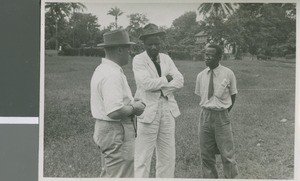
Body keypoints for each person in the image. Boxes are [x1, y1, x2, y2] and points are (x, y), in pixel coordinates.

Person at [90, 29, 146, 178]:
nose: (130, 53)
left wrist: (131, 102)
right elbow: (114, 111)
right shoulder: (112, 74)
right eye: (128, 49)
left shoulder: (102, 69)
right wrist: (135, 108)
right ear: (120, 49)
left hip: (107, 130)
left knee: (110, 174)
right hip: (116, 130)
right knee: (120, 176)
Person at [132, 23, 184, 178]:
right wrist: (167, 79)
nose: (154, 47)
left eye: (157, 43)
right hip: (147, 109)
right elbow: (146, 84)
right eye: (150, 44)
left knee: (168, 155)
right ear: (144, 44)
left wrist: (162, 87)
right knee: (143, 157)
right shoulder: (139, 60)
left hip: (167, 109)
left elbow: (180, 80)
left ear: (161, 42)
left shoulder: (166, 59)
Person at [195, 44, 239, 178]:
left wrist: (224, 112)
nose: (207, 57)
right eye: (205, 54)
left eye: (210, 55)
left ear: (219, 57)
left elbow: (233, 95)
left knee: (227, 155)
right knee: (206, 155)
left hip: (221, 116)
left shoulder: (228, 73)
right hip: (205, 116)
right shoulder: (201, 75)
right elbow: (200, 95)